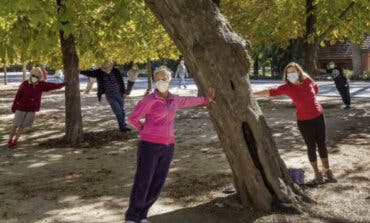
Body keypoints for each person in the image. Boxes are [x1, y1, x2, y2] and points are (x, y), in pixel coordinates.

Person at [125, 66, 215, 223]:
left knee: (158, 182)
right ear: (154, 81)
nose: (161, 81)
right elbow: (132, 118)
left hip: (168, 146)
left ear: (169, 79)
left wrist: (207, 99)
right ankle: (132, 216)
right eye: (157, 79)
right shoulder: (150, 100)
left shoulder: (174, 99)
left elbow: (189, 101)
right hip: (149, 146)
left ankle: (143, 214)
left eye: (164, 78)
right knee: (143, 180)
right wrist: (144, 129)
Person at [254, 62, 336, 185]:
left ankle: (327, 171)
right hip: (304, 121)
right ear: (286, 75)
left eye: (293, 71)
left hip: (318, 116)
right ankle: (317, 174)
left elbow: (316, 88)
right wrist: (252, 93)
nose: (291, 74)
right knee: (311, 147)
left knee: (322, 144)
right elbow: (270, 91)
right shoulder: (287, 87)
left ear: (299, 72)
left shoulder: (307, 80)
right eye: (289, 72)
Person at [8, 67, 65, 148]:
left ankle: (15, 140)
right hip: (21, 107)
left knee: (22, 126)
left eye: (37, 77)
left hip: (31, 108)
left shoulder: (41, 85)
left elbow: (53, 86)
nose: (35, 77)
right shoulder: (24, 84)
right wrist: (14, 106)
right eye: (34, 75)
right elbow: (18, 96)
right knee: (15, 124)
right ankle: (10, 139)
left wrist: (63, 84)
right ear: (31, 75)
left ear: (40, 77)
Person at [79, 61, 131, 132]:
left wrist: (124, 92)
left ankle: (123, 126)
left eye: (108, 68)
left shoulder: (116, 71)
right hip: (110, 95)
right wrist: (80, 71)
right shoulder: (100, 72)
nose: (106, 70)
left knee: (122, 109)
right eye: (105, 68)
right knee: (118, 110)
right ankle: (122, 126)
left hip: (119, 93)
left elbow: (121, 81)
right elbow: (90, 73)